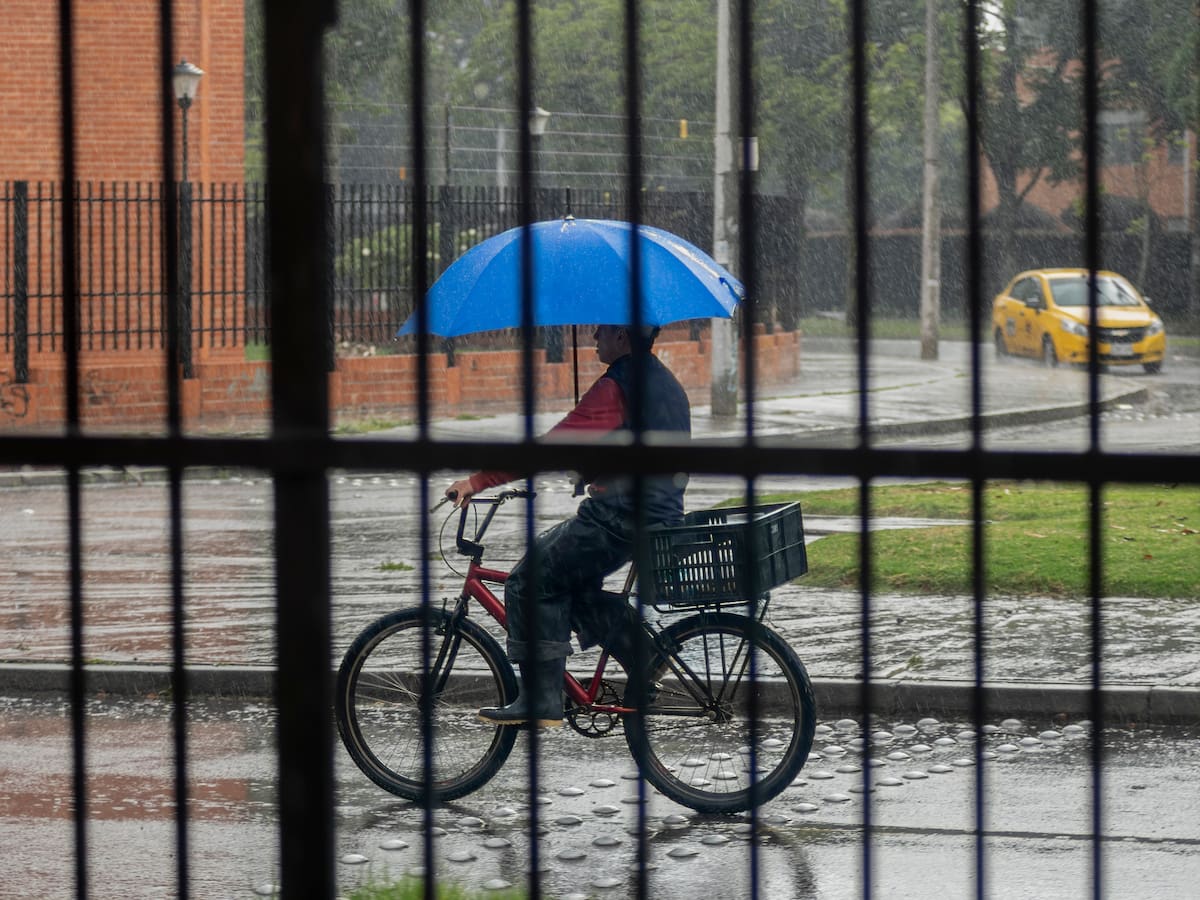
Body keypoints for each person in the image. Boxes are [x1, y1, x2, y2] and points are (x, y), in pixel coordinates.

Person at [446, 323, 691, 727]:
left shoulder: (617, 385)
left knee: (528, 581)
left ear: (624, 336)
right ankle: (645, 657)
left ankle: (541, 700)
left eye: (602, 331)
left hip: (618, 517)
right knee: (568, 586)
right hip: (654, 513)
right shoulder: (664, 381)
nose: (593, 337)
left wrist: (477, 481)